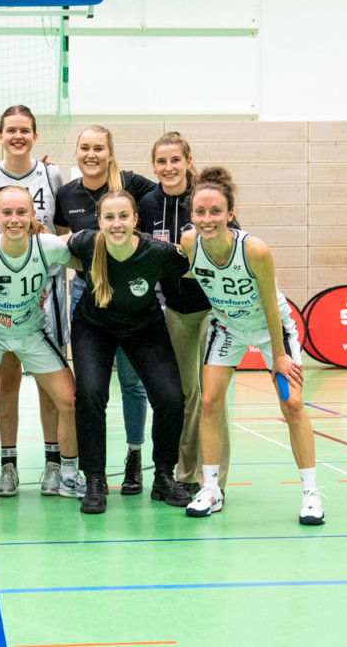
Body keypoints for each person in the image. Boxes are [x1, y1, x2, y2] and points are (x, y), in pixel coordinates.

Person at [180, 167, 324, 525]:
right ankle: (210, 489)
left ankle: (311, 494)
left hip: (269, 328)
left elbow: (272, 306)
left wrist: (279, 356)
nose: (207, 219)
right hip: (227, 328)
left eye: (216, 211)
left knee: (292, 404)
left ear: (230, 213)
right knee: (209, 402)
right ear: (192, 214)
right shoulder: (189, 243)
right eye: (200, 211)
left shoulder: (254, 250)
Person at [0, 186, 82, 519]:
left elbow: (88, 263)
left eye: (21, 212)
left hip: (30, 332)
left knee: (69, 400)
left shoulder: (49, 246)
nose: (14, 219)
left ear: (33, 215)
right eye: (7, 213)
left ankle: (68, 475)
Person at [67, 190, 193, 514]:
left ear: (136, 219)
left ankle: (163, 476)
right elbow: (49, 251)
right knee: (90, 395)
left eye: (124, 216)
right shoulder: (85, 243)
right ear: (99, 222)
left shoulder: (157, 251)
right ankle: (95, 481)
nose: (117, 224)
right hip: (93, 326)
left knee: (170, 397)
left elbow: (198, 266)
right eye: (109, 217)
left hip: (144, 327)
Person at [0, 105, 69, 499]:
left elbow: (61, 234)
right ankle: (7, 466)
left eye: (25, 130)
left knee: (49, 383)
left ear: (35, 136)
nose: (18, 136)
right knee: (7, 379)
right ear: (0, 136)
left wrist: (38, 274)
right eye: (11, 130)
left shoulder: (52, 174)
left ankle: (53, 464)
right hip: (0, 294)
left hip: (46, 288)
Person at [54, 124, 159, 495]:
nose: (91, 154)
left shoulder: (133, 184)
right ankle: (93, 472)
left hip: (133, 297)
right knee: (90, 390)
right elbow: (61, 244)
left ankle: (134, 457)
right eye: (85, 147)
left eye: (99, 148)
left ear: (111, 153)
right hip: (87, 294)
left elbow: (174, 192)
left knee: (132, 384)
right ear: (76, 152)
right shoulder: (66, 193)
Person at [138, 131, 232, 495]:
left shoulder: (206, 197)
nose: (169, 167)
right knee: (185, 394)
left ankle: (213, 480)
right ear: (153, 166)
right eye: (161, 161)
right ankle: (187, 473)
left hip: (212, 310)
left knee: (212, 396)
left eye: (175, 159)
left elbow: (231, 245)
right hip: (175, 311)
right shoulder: (147, 204)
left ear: (188, 162)